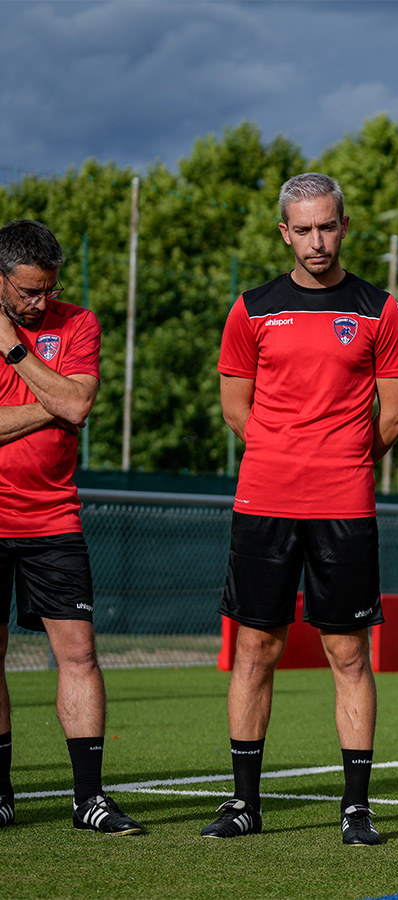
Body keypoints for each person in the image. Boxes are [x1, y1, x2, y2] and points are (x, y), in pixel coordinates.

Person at [208, 173, 398, 845]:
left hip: (344, 504)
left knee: (346, 651)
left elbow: (397, 413)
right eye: (304, 229)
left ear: (344, 226)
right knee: (255, 648)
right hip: (264, 500)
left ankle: (356, 809)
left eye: (328, 226)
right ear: (284, 233)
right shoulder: (252, 309)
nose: (317, 240)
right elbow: (236, 408)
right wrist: (283, 453)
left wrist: (343, 458)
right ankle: (243, 804)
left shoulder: (380, 309)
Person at [0, 219, 142, 835]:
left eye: (49, 289)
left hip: (54, 517)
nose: (41, 301)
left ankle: (89, 799)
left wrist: (13, 349)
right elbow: (62, 406)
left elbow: (79, 405)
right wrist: (50, 405)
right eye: (29, 291)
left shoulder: (78, 323)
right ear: (2, 278)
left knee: (79, 653)